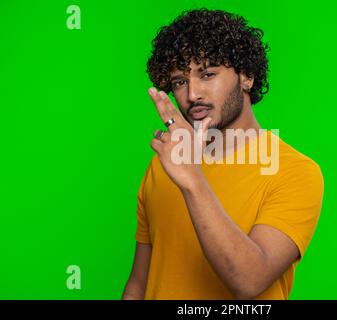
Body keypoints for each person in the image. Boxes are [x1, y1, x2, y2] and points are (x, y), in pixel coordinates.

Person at [122, 8, 324, 300]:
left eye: (208, 74)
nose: (193, 94)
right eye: (180, 81)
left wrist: (192, 179)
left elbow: (250, 280)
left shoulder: (294, 172)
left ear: (247, 77)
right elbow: (139, 284)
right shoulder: (162, 165)